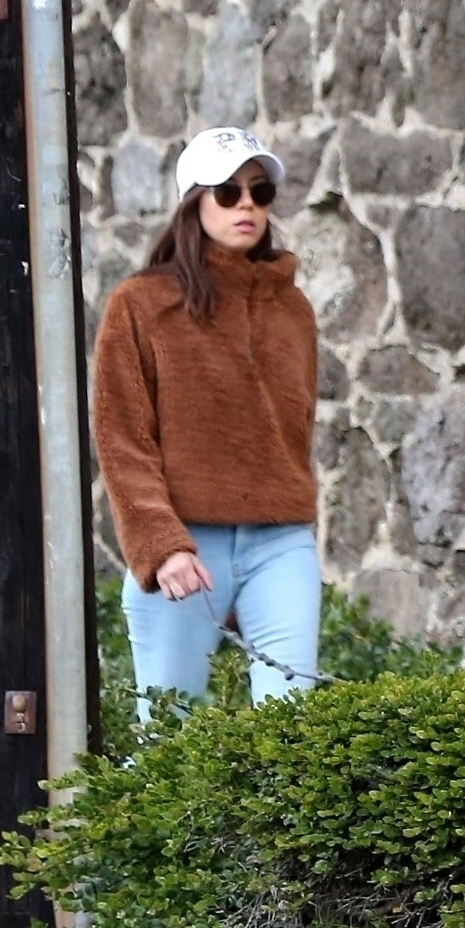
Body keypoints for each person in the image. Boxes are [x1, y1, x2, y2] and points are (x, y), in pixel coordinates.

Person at [91, 127, 322, 719]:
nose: (247, 204)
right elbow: (123, 439)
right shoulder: (140, 305)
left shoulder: (292, 310)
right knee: (168, 736)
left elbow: (297, 430)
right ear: (193, 202)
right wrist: (161, 545)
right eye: (227, 191)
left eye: (260, 191)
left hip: (281, 543)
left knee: (293, 732)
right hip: (185, 546)